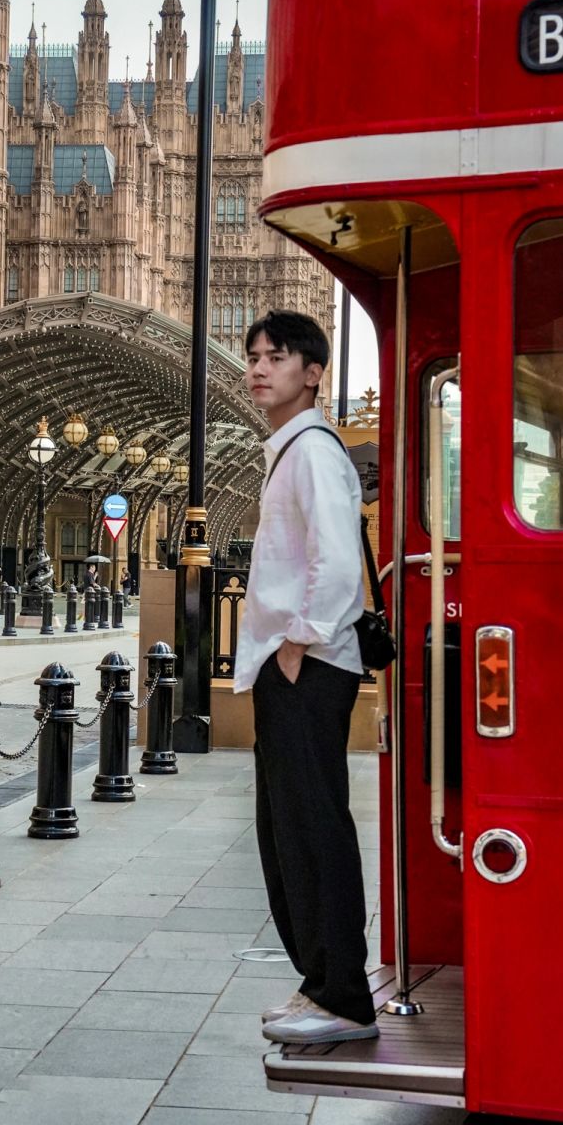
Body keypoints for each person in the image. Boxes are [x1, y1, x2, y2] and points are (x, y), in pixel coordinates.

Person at [234, 309, 377, 1046]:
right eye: (254, 356)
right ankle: (320, 983)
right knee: (288, 827)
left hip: (306, 668)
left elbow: (336, 565)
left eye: (279, 357)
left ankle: (344, 997)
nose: (260, 368)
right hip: (288, 665)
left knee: (313, 827)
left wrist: (299, 643)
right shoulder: (291, 450)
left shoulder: (315, 450)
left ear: (313, 372)